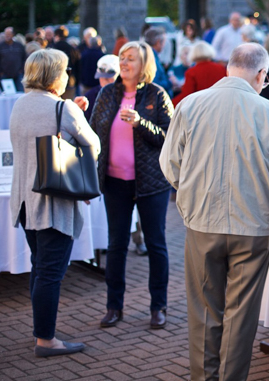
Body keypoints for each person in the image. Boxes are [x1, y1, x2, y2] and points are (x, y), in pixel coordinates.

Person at [159, 43, 269, 381]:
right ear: (261, 74)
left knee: (204, 311)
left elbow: (169, 165)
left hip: (203, 221)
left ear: (228, 67)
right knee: (241, 314)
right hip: (254, 225)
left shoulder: (190, 105)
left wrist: (190, 191)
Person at [10, 49, 100, 357]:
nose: (68, 76)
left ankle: (41, 331)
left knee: (40, 267)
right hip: (53, 203)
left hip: (24, 201)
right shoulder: (63, 109)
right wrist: (74, 115)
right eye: (65, 71)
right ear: (54, 76)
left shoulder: (19, 105)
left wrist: (69, 113)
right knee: (51, 273)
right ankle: (46, 340)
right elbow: (94, 146)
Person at [89, 41, 173, 329]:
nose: (124, 63)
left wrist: (141, 123)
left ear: (144, 65)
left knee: (156, 244)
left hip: (151, 184)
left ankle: (158, 307)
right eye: (122, 58)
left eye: (131, 59)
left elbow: (169, 137)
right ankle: (114, 307)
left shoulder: (157, 95)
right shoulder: (106, 94)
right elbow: (92, 133)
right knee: (116, 245)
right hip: (115, 183)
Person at [171, 41, 227, 107]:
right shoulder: (221, 69)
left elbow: (187, 95)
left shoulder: (191, 72)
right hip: (219, 104)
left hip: (201, 107)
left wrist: (170, 104)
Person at [84, 54, 119, 121]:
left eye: (108, 77)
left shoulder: (127, 95)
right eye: (101, 77)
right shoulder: (90, 96)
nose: (104, 80)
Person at [0, 27, 27, 92]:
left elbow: (24, 59)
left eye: (9, 34)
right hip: (4, 75)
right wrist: (0, 73)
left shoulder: (19, 46)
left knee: (20, 93)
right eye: (6, 34)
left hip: (18, 75)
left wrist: (22, 70)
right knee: (7, 94)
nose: (7, 36)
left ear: (13, 34)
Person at [143, 26, 173, 97]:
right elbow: (154, 84)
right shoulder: (151, 58)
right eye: (164, 42)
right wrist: (170, 82)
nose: (164, 46)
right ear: (158, 42)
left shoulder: (149, 55)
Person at [51, 26, 79, 99]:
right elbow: (78, 64)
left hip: (55, 81)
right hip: (70, 80)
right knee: (67, 104)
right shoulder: (72, 48)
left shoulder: (53, 49)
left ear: (57, 36)